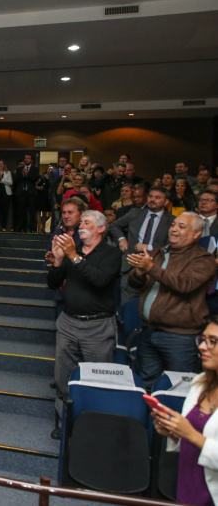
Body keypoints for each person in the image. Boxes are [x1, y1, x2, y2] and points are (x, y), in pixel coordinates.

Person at [46, 210, 121, 439]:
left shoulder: (111, 254)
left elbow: (99, 280)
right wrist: (59, 261)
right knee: (63, 377)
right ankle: (64, 422)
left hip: (97, 327)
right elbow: (53, 284)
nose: (80, 226)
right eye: (80, 223)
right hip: (68, 323)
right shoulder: (73, 253)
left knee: (96, 379)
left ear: (101, 228)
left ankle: (91, 428)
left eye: (86, 222)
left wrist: (73, 256)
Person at [129, 212, 217, 387]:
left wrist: (150, 268)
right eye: (173, 225)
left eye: (181, 227)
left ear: (197, 233)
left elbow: (185, 285)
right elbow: (136, 284)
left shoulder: (203, 259)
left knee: (179, 386)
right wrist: (139, 272)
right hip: (148, 331)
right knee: (148, 384)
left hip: (179, 337)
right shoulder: (160, 252)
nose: (174, 229)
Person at [152, 317, 218, 505]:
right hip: (188, 484)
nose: (203, 347)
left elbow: (194, 435)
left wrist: (189, 433)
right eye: (203, 339)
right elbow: (189, 437)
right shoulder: (199, 383)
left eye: (213, 341)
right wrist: (173, 431)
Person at [110, 186, 175, 302]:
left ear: (166, 202)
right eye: (151, 196)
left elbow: (173, 245)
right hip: (130, 265)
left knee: (150, 304)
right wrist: (121, 239)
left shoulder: (172, 221)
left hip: (155, 267)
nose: (152, 200)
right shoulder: (135, 213)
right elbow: (114, 226)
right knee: (127, 307)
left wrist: (150, 247)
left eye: (158, 197)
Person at [13, 154, 40, 232]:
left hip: (31, 193)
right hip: (21, 193)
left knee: (32, 212)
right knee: (21, 211)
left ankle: (32, 229)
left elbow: (35, 178)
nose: (26, 160)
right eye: (25, 158)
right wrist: (22, 174)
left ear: (31, 160)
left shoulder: (35, 169)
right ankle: (21, 228)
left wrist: (27, 174)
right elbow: (16, 179)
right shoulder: (19, 169)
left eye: (28, 158)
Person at [0, 161, 13, 231]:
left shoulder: (8, 172)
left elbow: (10, 183)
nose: (0, 165)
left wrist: (1, 180)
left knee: (5, 210)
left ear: (4, 165)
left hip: (6, 193)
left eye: (1, 164)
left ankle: (4, 227)